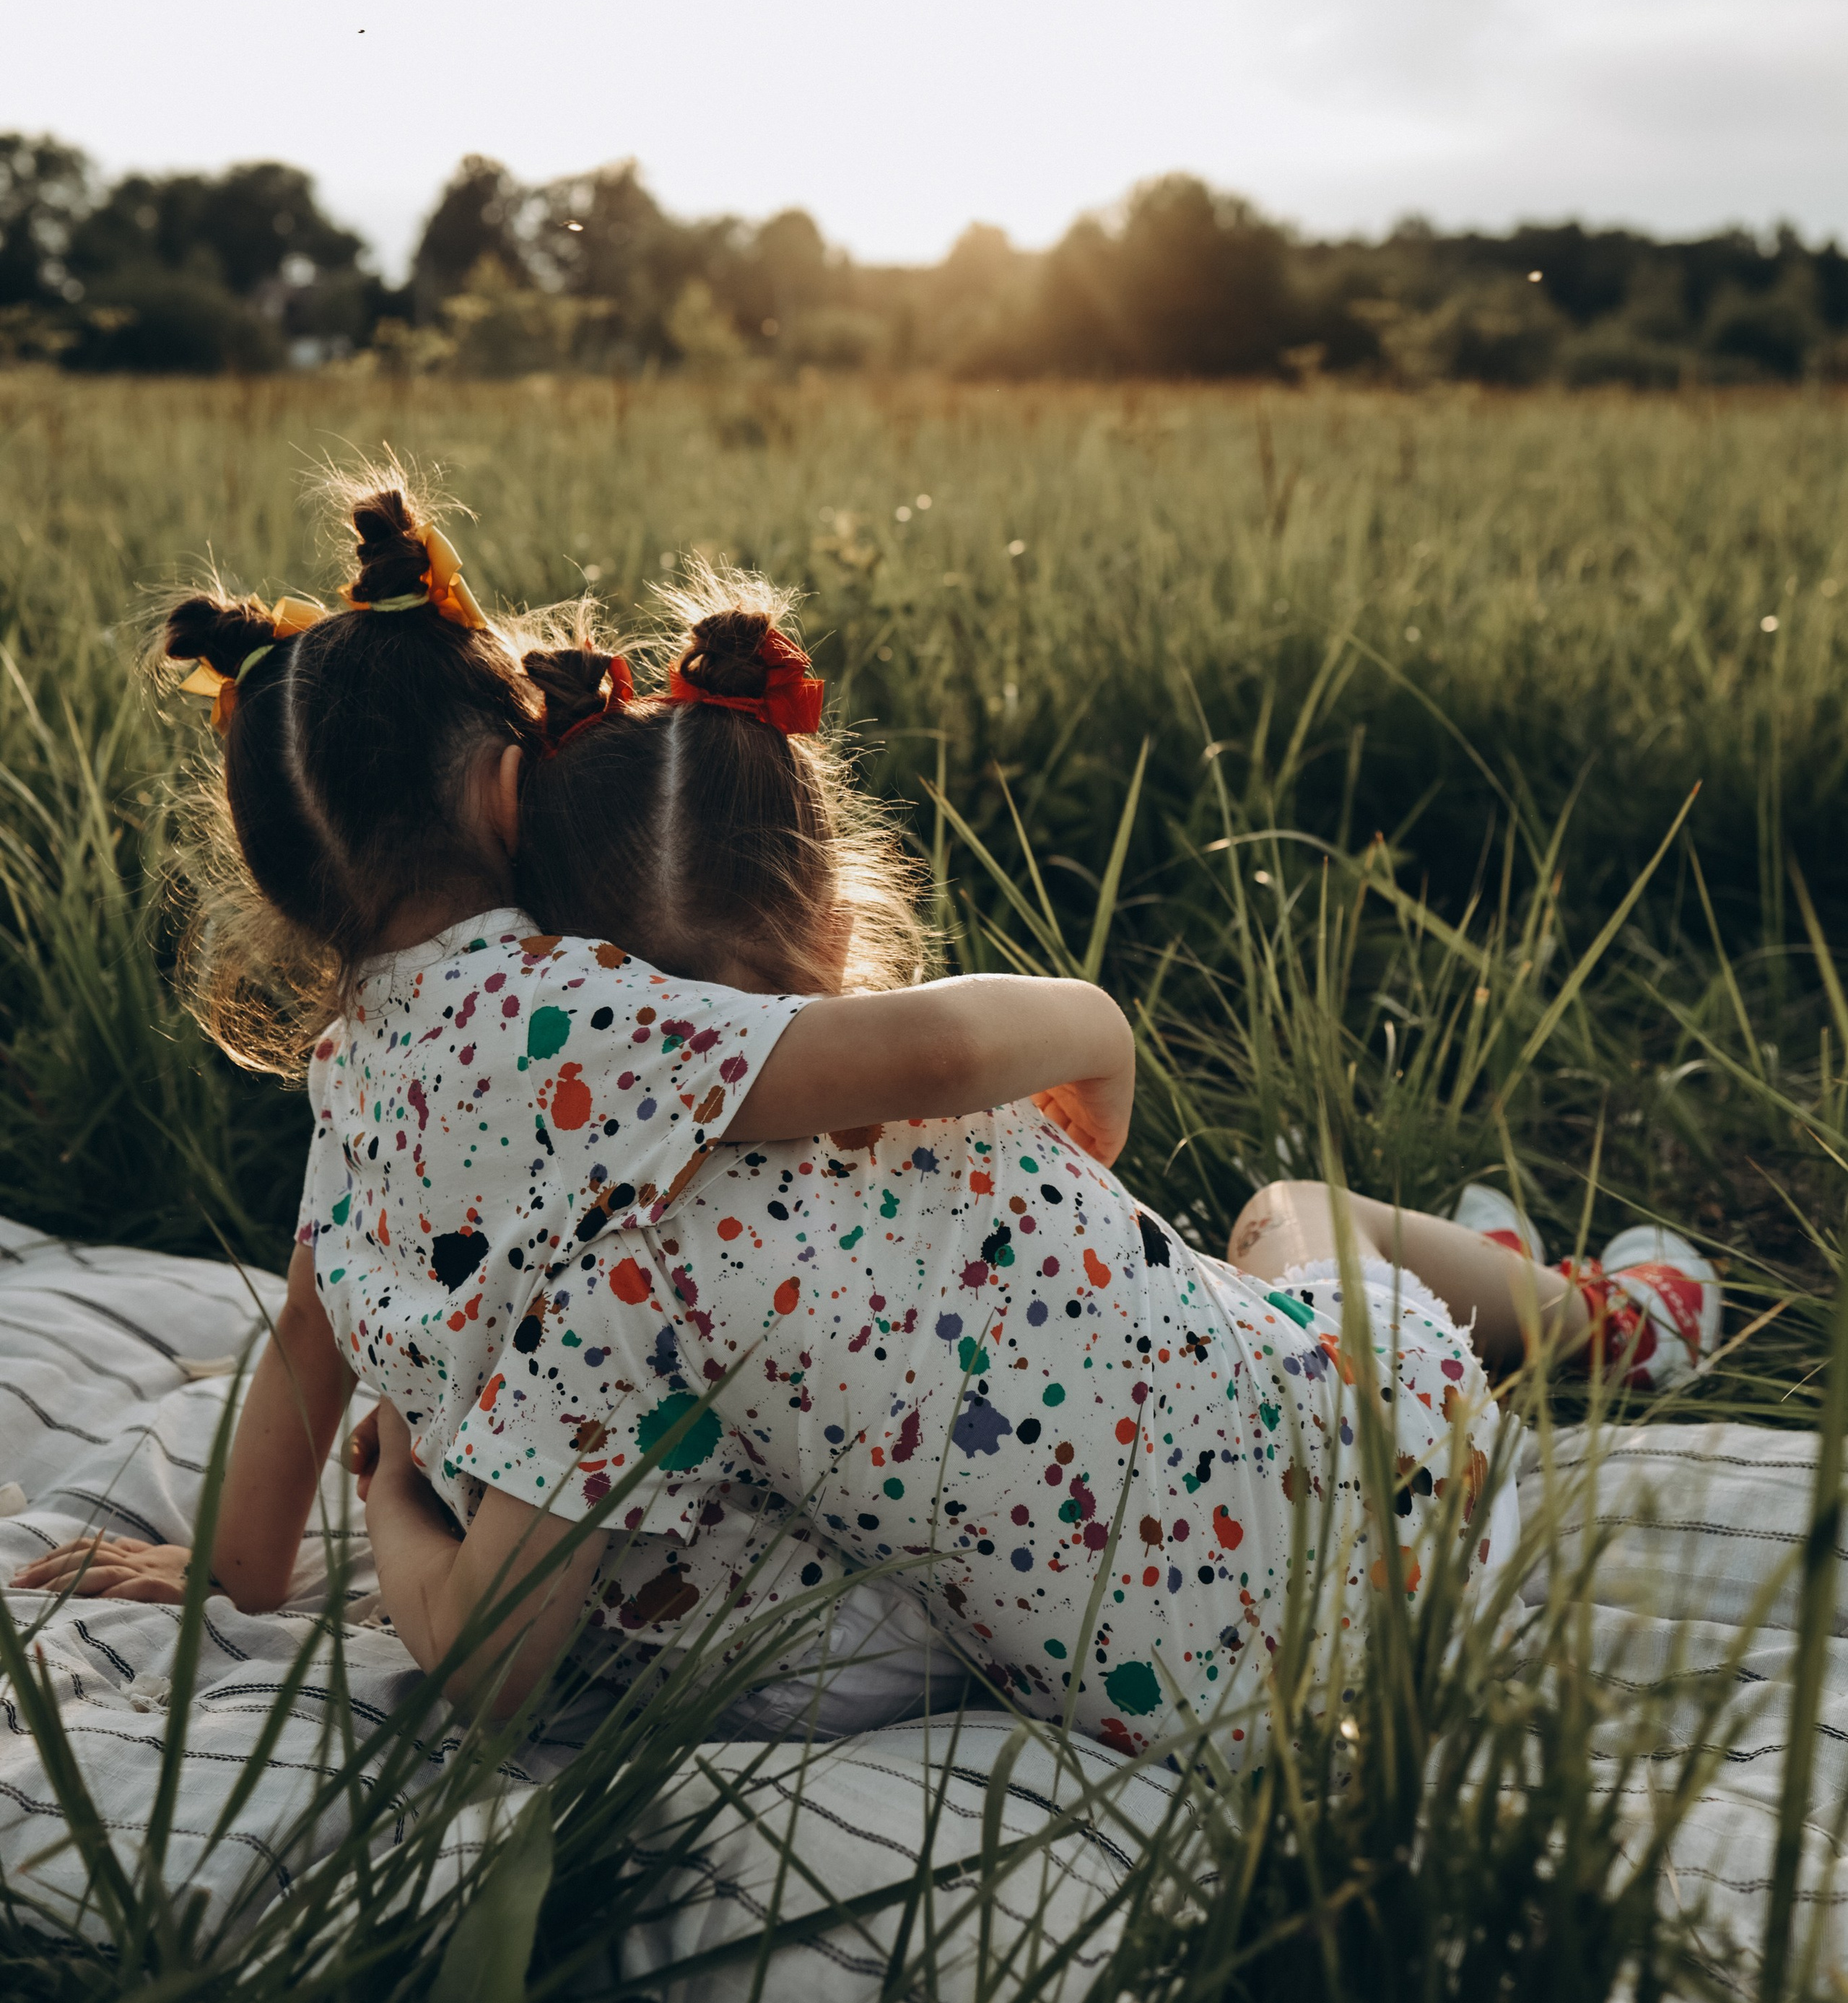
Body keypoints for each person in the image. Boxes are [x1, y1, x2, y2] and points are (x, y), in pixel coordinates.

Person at [14, 482, 1720, 1759]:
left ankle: (1513, 1295)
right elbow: (928, 1048)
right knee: (1287, 1223)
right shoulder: (599, 1047)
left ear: (276, 885)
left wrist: (244, 1572)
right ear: (507, 788)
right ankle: (1584, 1315)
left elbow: (306, 1358)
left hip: (1181, 1665)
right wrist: (1100, 1035)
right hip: (1370, 1509)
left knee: (1278, 1280)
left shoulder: (363, 1104)